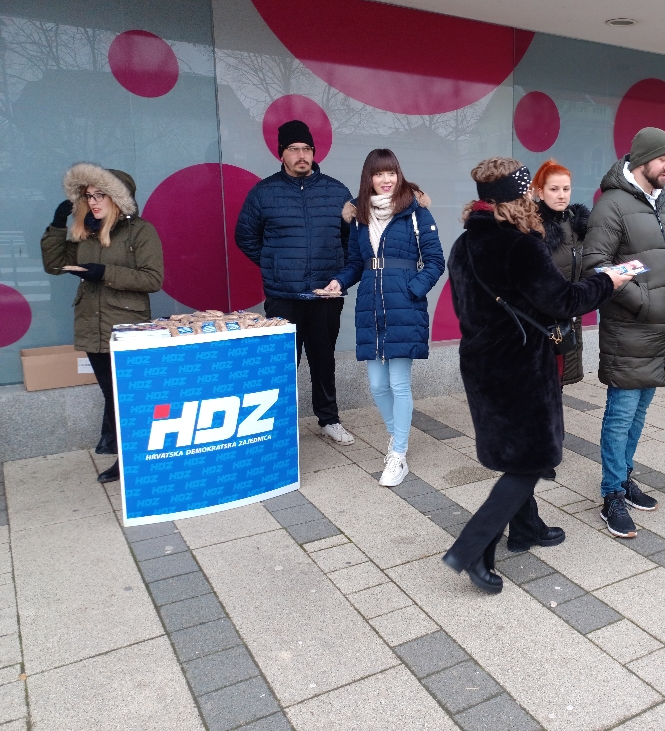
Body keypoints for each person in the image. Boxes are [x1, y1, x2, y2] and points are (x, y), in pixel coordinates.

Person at [442, 157, 630, 593]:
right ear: (516, 199)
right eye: (527, 193)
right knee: (530, 461)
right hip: (520, 368)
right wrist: (609, 281)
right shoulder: (519, 245)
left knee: (517, 453)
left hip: (481, 364)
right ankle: (472, 548)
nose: (532, 199)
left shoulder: (464, 243)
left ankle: (526, 529)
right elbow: (564, 300)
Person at [582, 127, 665, 538]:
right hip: (629, 328)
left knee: (640, 411)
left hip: (659, 329)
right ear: (643, 159)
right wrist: (642, 301)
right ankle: (611, 493)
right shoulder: (611, 205)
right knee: (621, 413)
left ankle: (624, 478)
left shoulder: (661, 202)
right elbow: (595, 263)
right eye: (663, 158)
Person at [327, 149, 445, 486]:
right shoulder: (360, 215)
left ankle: (398, 455)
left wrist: (413, 289)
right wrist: (339, 282)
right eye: (379, 173)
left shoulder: (416, 212)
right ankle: (396, 438)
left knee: (398, 383)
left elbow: (436, 261)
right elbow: (355, 263)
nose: (386, 179)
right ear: (369, 177)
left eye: (391, 172)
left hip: (404, 304)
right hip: (370, 306)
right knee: (377, 385)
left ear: (398, 174)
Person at [41, 163, 164, 483]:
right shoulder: (86, 231)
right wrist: (57, 225)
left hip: (125, 326)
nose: (93, 202)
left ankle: (130, 459)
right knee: (112, 395)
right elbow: (54, 265)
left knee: (126, 397)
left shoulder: (141, 231)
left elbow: (153, 279)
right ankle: (125, 454)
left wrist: (104, 273)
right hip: (92, 325)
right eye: (89, 196)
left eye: (100, 195)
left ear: (117, 197)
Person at [236, 120, 355, 445]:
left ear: (313, 153)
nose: (301, 155)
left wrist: (338, 272)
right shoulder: (264, 192)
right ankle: (278, 426)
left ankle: (329, 419)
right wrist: (274, 265)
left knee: (323, 359)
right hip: (283, 296)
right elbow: (245, 237)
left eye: (306, 149)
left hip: (325, 295)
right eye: (293, 149)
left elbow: (351, 239)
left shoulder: (337, 191)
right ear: (282, 154)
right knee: (282, 364)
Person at [532, 159, 591, 385]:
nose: (561, 195)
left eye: (566, 189)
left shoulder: (577, 224)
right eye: (554, 189)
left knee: (558, 385)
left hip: (568, 320)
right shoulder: (531, 226)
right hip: (539, 321)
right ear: (540, 192)